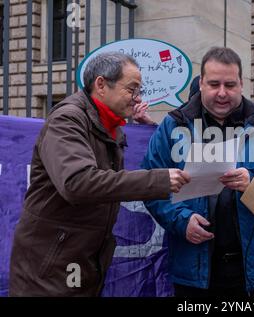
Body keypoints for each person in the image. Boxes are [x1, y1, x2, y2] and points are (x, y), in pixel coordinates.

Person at [9, 52, 190, 296]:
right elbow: (78, 183)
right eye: (132, 89)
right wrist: (157, 180)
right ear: (101, 85)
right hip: (50, 263)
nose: (137, 98)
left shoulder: (111, 125)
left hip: (80, 257)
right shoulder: (67, 120)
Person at [141, 47, 254, 297]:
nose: (222, 93)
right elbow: (150, 183)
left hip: (253, 268)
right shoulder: (173, 126)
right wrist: (181, 220)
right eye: (214, 84)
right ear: (201, 83)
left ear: (241, 85)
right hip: (192, 269)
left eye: (230, 84)